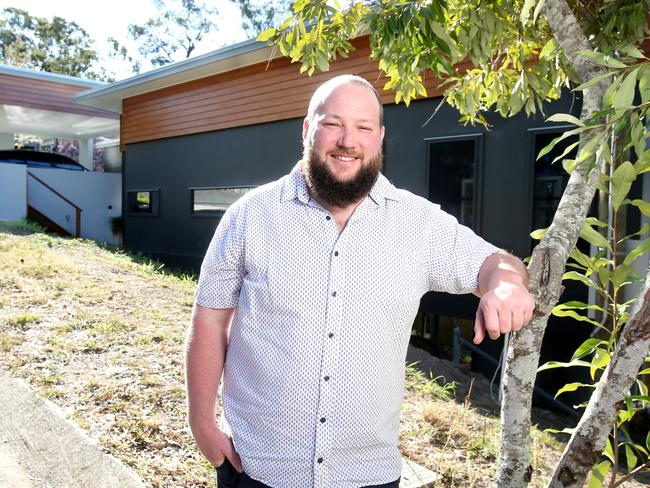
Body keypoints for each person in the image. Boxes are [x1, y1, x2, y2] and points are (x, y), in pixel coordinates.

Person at [185, 74, 535, 488]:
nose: (347, 141)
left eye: (363, 127)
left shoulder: (418, 224)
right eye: (332, 124)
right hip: (258, 466)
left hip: (368, 474)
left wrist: (508, 284)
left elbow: (498, 263)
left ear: (380, 137)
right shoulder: (249, 216)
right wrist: (201, 423)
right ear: (308, 130)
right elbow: (209, 320)